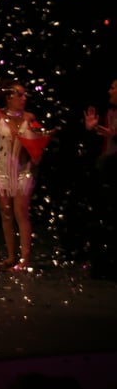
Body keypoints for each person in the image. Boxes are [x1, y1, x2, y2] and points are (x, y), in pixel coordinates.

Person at [0, 58, 42, 269]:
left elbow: (39, 141)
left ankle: (25, 258)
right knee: (5, 213)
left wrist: (38, 151)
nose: (24, 98)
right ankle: (11, 256)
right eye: (19, 94)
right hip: (1, 169)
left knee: (21, 211)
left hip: (23, 170)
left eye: (24, 94)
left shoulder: (30, 117)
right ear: (9, 97)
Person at [83, 78, 117, 279]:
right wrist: (94, 129)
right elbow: (110, 139)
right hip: (108, 168)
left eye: (113, 87)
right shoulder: (111, 112)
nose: (109, 90)